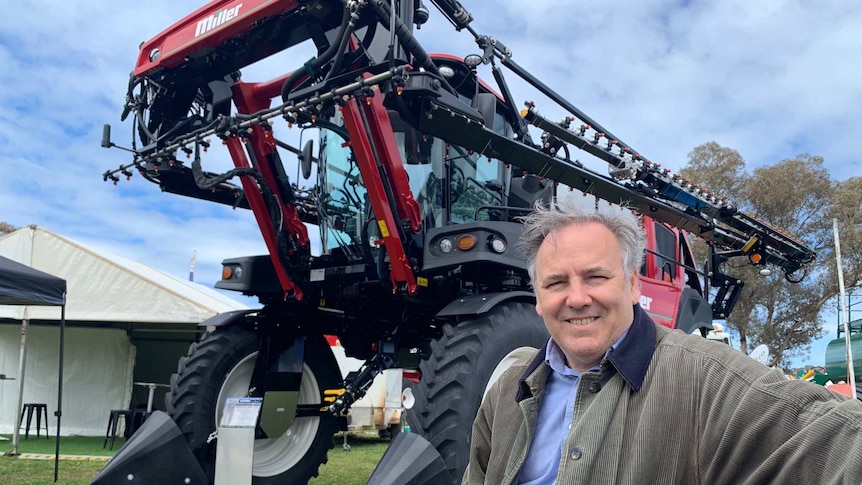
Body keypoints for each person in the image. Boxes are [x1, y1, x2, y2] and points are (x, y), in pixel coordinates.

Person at [462, 198, 862, 484]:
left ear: (634, 285)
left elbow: (833, 437)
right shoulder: (507, 393)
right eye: (556, 283)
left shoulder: (705, 381)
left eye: (596, 277)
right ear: (539, 299)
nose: (577, 298)